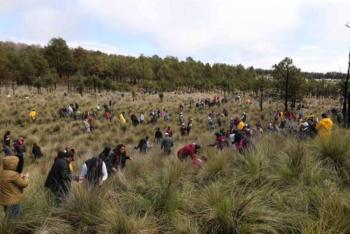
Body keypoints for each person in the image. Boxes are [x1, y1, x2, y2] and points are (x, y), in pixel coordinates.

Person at [0, 156, 29, 220]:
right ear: (13, 164)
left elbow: (10, 183)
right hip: (13, 200)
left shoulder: (2, 173)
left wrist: (19, 177)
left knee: (7, 216)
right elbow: (24, 184)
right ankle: (13, 229)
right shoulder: (14, 175)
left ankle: (7, 228)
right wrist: (26, 177)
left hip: (4, 200)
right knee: (14, 217)